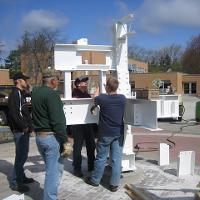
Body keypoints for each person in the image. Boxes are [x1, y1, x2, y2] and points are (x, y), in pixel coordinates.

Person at [32, 69, 70, 200]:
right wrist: (65, 141)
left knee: (56, 168)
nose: (58, 83)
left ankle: (50, 194)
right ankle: (49, 197)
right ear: (53, 81)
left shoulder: (36, 93)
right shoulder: (52, 95)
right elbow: (58, 121)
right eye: (58, 81)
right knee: (52, 172)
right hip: (51, 138)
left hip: (39, 137)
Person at [85, 77, 126, 192]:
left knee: (101, 157)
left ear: (107, 87)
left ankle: (95, 180)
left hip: (105, 133)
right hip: (118, 133)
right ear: (116, 87)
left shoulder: (102, 99)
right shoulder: (122, 99)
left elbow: (94, 98)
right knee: (117, 160)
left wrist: (97, 88)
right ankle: (114, 185)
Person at [8, 72, 34, 193]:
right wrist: (24, 127)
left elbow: (24, 112)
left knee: (23, 156)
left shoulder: (21, 93)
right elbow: (15, 114)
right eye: (24, 80)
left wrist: (30, 126)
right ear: (18, 81)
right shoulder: (15, 94)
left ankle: (21, 177)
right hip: (20, 131)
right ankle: (15, 182)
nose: (26, 82)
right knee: (20, 157)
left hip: (23, 130)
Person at [72, 76, 96, 177]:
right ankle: (77, 168)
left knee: (91, 146)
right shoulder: (74, 93)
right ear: (78, 84)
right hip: (78, 126)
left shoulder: (86, 93)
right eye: (83, 82)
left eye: (86, 82)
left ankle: (91, 166)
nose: (86, 84)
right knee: (77, 147)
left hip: (88, 124)